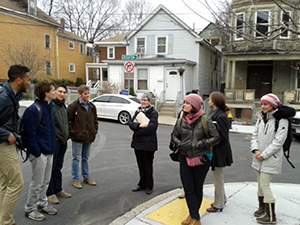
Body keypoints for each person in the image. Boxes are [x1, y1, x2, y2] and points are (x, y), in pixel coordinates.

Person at [171, 94, 220, 225]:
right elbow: (174, 135)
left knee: (197, 188)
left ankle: (192, 215)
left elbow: (216, 138)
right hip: (184, 157)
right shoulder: (181, 119)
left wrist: (200, 144)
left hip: (202, 158)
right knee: (188, 188)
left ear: (194, 106)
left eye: (187, 103)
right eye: (184, 102)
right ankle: (195, 217)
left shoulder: (205, 120)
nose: (184, 105)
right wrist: (180, 144)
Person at [251, 93, 295, 224]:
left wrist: (263, 154)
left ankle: (271, 216)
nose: (262, 106)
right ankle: (262, 208)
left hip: (270, 158)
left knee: (264, 185)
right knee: (260, 185)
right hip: (258, 157)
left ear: (273, 105)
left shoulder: (282, 120)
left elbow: (278, 142)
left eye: (265, 104)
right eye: (262, 104)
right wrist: (256, 150)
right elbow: (254, 136)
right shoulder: (261, 118)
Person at [0, 65, 31, 225]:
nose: (29, 83)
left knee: (6, 183)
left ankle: (3, 219)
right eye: (27, 79)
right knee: (17, 183)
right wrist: (7, 134)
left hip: (7, 142)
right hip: (2, 144)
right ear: (19, 80)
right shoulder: (4, 97)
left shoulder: (12, 96)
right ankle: (6, 222)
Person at [23, 80, 57, 221]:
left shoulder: (49, 107)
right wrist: (37, 153)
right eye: (53, 90)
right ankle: (30, 208)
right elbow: (28, 135)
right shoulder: (33, 110)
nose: (55, 92)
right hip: (39, 153)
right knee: (37, 183)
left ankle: (42, 203)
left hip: (49, 151)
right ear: (46, 93)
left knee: (45, 181)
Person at [206, 92, 233, 213]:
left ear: (215, 102)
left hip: (219, 151)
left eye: (210, 100)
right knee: (218, 176)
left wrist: (209, 141)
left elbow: (223, 137)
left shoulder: (220, 117)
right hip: (217, 150)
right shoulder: (217, 114)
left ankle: (218, 204)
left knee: (217, 177)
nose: (208, 101)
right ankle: (222, 199)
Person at [68, 85, 98, 189]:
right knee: (76, 158)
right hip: (77, 138)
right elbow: (68, 121)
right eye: (85, 94)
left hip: (88, 137)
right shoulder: (73, 106)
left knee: (86, 158)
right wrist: (73, 133)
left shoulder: (92, 107)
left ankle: (86, 177)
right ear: (80, 95)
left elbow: (95, 121)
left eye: (88, 93)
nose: (87, 95)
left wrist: (94, 132)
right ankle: (75, 179)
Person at [129, 92, 158, 195]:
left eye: (145, 100)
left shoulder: (153, 113)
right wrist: (140, 126)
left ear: (150, 101)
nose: (143, 102)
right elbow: (131, 123)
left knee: (147, 166)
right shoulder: (138, 112)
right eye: (142, 100)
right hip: (138, 144)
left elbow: (151, 128)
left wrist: (136, 131)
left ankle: (149, 186)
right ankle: (141, 184)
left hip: (148, 145)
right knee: (141, 165)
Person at [47, 84, 71, 204]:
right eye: (60, 91)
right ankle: (50, 192)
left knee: (58, 167)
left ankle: (58, 189)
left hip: (63, 141)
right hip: (54, 141)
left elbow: (66, 123)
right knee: (51, 168)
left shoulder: (63, 107)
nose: (62, 94)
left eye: (64, 92)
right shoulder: (51, 106)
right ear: (54, 92)